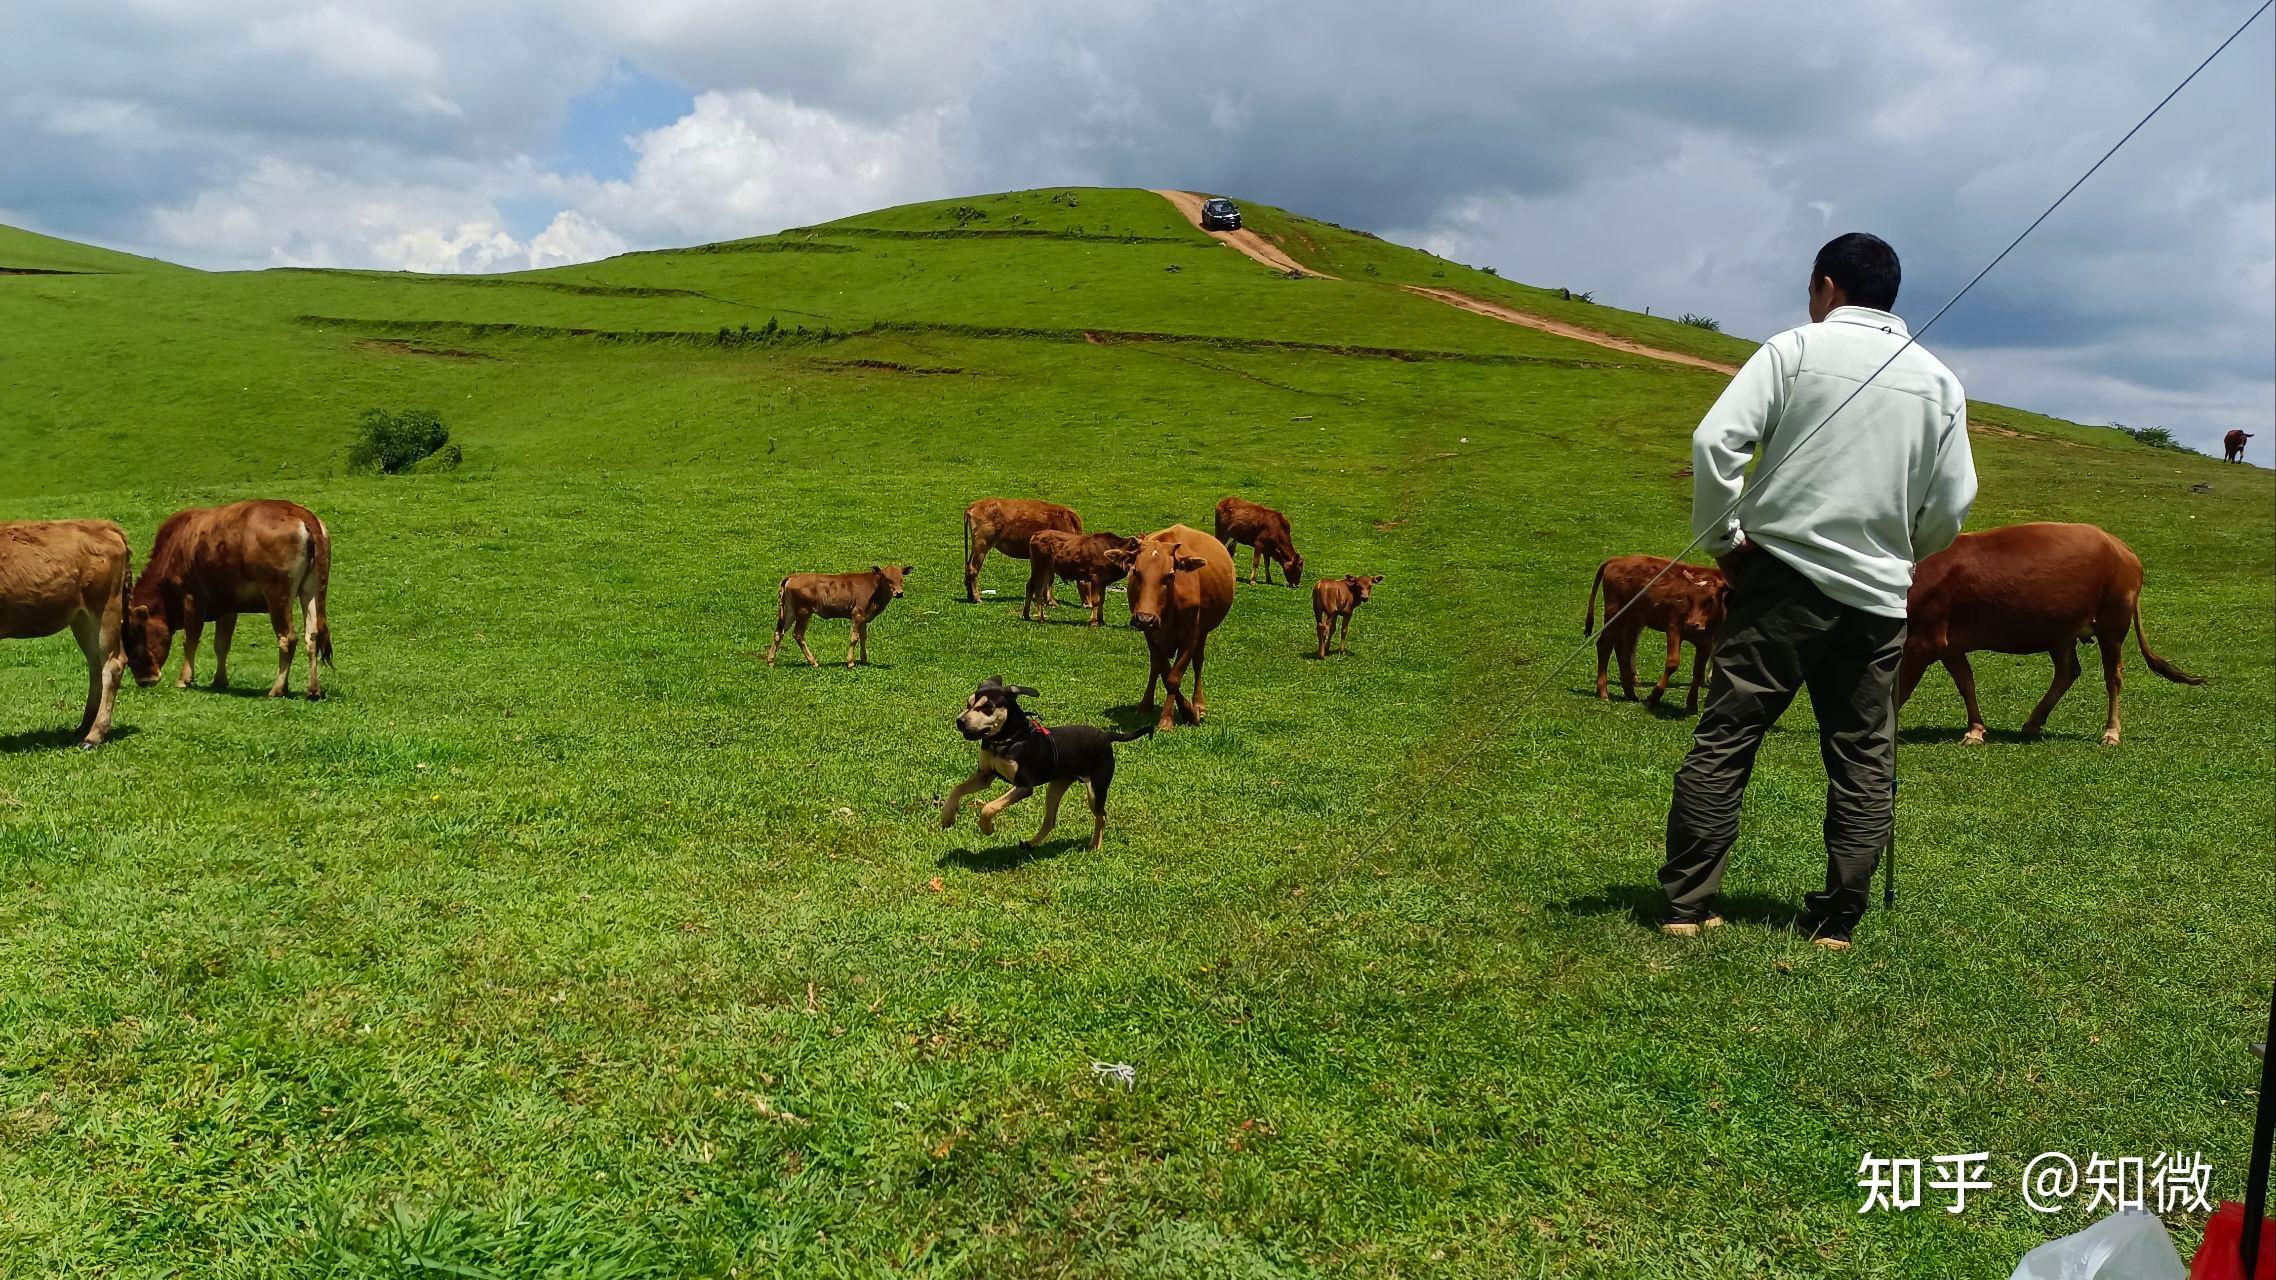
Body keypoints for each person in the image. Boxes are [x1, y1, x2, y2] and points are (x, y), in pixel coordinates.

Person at [1657, 232, 1977, 951]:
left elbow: (1717, 442)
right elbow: (1953, 502)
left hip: (1779, 577)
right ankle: (1836, 922)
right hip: (1877, 595)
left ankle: (1687, 904)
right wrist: (1904, 552)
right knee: (1864, 752)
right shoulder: (1940, 381)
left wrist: (1721, 538)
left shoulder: (1794, 349)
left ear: (1826, 287)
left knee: (1729, 734)